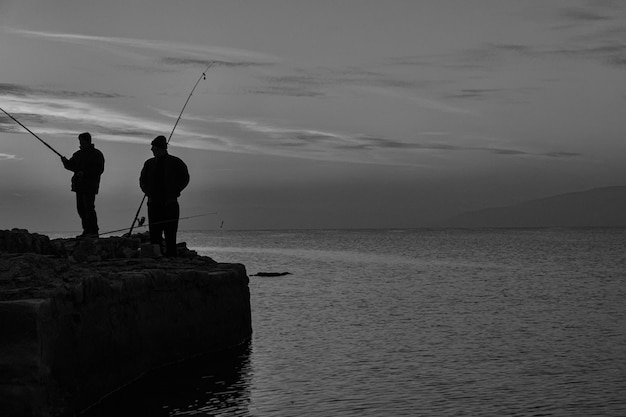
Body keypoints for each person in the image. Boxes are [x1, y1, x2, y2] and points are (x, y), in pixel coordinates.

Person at [139, 135, 190, 257]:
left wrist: (175, 191)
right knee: (154, 232)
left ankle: (171, 255)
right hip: (153, 203)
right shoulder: (149, 163)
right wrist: (147, 192)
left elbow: (185, 178)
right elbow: (142, 181)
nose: (152, 150)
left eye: (154, 147)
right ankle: (156, 255)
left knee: (170, 232)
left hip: (170, 203)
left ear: (160, 148)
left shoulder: (176, 162)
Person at [61, 132, 105, 238]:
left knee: (89, 208)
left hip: (90, 186)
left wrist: (84, 173)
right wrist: (65, 162)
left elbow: (99, 169)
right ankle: (86, 230)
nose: (80, 143)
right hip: (79, 186)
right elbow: (71, 166)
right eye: (79, 140)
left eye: (82, 140)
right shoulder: (78, 154)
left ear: (87, 141)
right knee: (80, 209)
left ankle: (93, 231)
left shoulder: (96, 154)